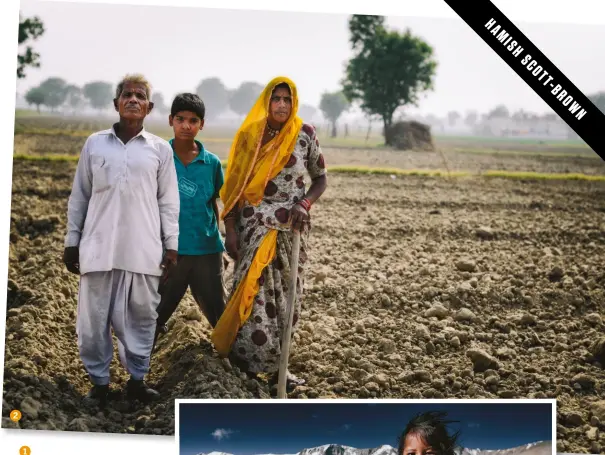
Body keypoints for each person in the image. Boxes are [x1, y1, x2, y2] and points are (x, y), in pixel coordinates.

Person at [63, 74, 180, 406]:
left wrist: (171, 246)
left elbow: (169, 202)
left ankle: (136, 382)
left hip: (143, 251)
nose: (132, 99)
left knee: (141, 320)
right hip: (97, 247)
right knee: (92, 323)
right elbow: (80, 196)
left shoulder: (159, 150)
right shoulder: (94, 144)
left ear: (149, 107)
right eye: (126, 94)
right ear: (116, 104)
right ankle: (99, 385)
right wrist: (73, 241)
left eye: (139, 95)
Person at [210, 76, 328, 392]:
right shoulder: (251, 135)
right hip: (253, 228)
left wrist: (304, 203)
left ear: (294, 103)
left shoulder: (305, 135)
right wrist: (231, 230)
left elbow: (320, 179)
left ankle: (280, 369)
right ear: (267, 101)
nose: (281, 105)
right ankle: (245, 365)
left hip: (292, 228)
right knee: (252, 293)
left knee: (289, 298)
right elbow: (234, 188)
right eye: (276, 99)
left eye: (287, 100)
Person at [152, 93, 226, 350]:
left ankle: (241, 367)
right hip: (170, 251)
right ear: (171, 120)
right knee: (154, 314)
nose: (186, 125)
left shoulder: (212, 163)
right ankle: (136, 376)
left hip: (206, 250)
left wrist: (220, 245)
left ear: (201, 124)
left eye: (193, 120)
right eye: (181, 119)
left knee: (221, 314)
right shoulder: (159, 157)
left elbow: (213, 203)